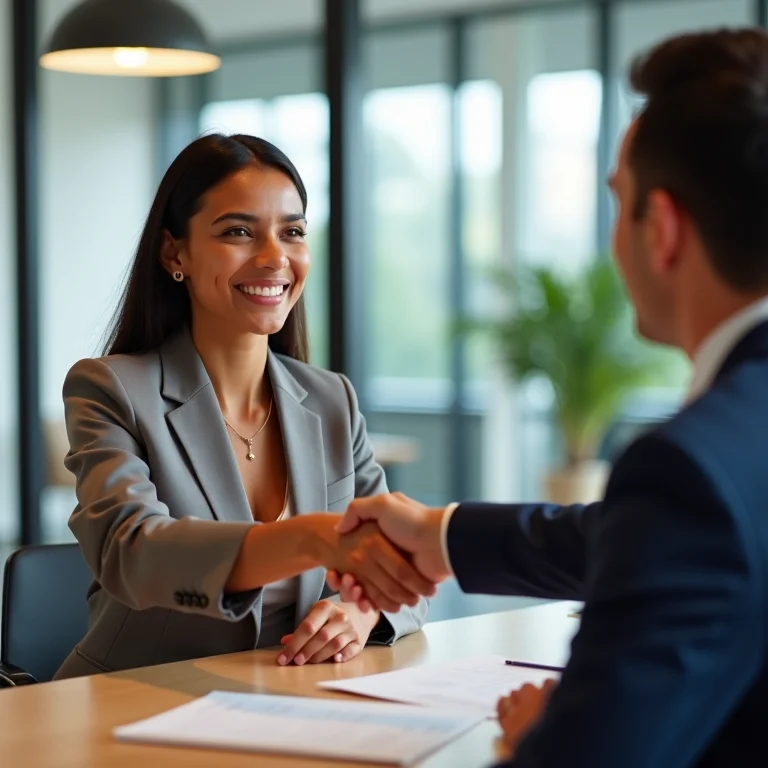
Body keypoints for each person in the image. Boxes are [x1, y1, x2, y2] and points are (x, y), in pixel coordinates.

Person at [330, 28, 768, 767]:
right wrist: (441, 535)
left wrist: (538, 737)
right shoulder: (713, 470)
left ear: (660, 229)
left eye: (618, 202)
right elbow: (678, 540)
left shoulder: (692, 466)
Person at [54, 134, 431, 680]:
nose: (275, 257)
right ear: (173, 252)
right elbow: (130, 551)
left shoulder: (332, 401)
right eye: (238, 232)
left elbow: (402, 567)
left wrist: (359, 610)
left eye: (292, 232)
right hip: (136, 698)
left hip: (287, 701)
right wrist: (310, 538)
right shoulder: (110, 388)